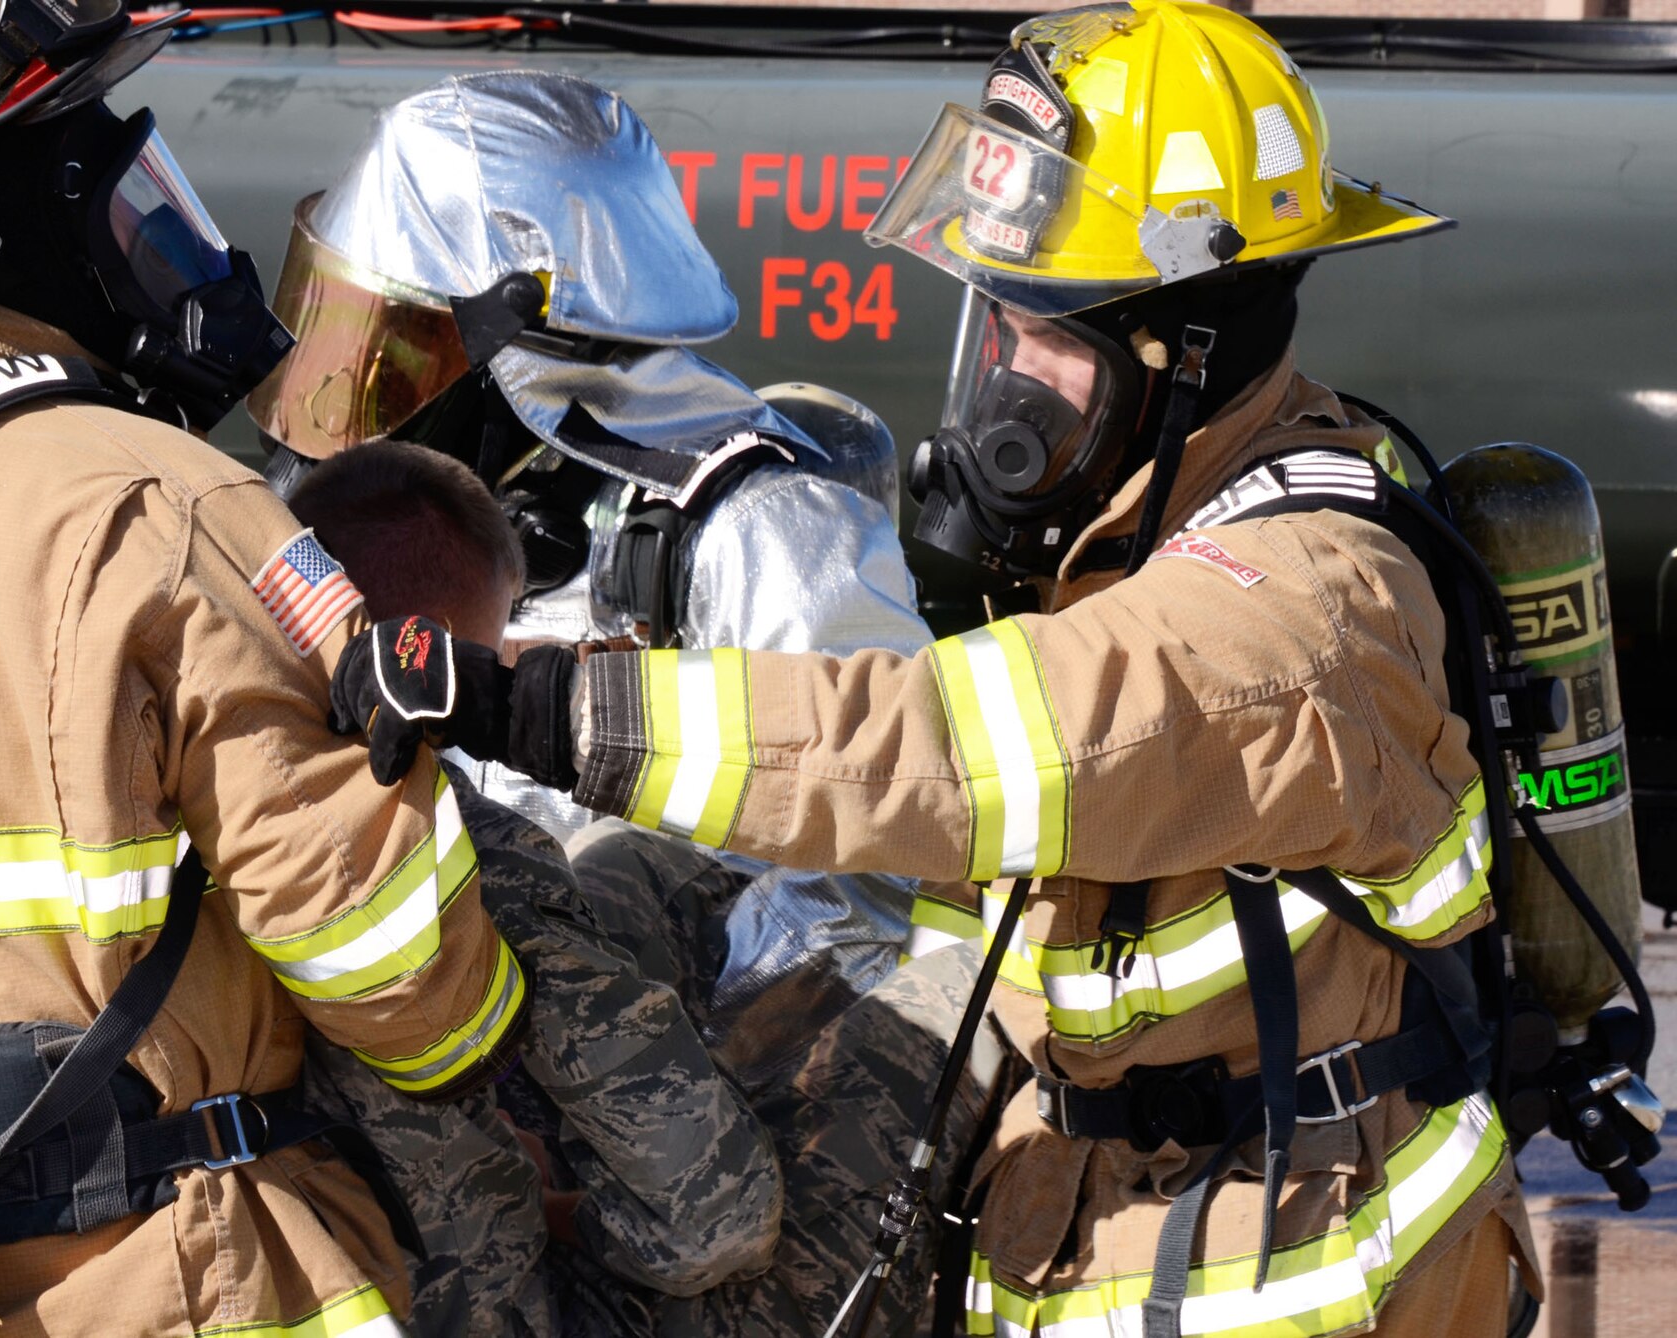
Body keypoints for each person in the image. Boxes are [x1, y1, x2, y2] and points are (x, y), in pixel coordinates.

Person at [332, 4, 1540, 1334]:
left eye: (1047, 338)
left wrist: (530, 704)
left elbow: (952, 754)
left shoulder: (1300, 608)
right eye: (995, 324)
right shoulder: (1139, 536)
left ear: (1185, 343)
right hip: (1132, 1232)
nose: (1001, 381)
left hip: (1311, 1281)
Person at [0, 1, 526, 1333]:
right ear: (3, 207)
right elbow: (397, 976)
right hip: (186, 1281)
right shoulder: (159, 502)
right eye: (110, 175)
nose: (154, 226)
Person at [246, 66, 948, 1077]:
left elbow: (853, 888)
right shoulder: (418, 518)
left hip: (658, 1098)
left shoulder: (759, 524)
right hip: (436, 1043)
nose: (353, 396)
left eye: (394, 348)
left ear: (524, 348)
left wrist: (647, 1084)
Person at [286, 442, 783, 1336]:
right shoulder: (455, 845)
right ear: (443, 655)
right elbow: (714, 1216)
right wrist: (569, 1217)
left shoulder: (154, 782)